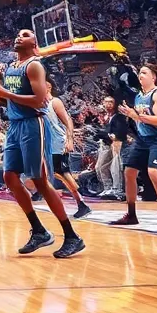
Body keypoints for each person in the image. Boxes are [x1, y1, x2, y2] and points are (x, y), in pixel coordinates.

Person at [0, 30, 85, 258]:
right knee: (9, 177)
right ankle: (39, 231)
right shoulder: (11, 67)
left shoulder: (34, 66)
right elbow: (2, 98)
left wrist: (4, 91)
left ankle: (71, 236)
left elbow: (39, 100)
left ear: (34, 42)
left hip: (32, 124)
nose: (19, 37)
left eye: (25, 34)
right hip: (14, 126)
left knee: (39, 180)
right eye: (18, 34)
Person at [108, 64, 157, 233]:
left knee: (153, 172)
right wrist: (130, 113)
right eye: (139, 73)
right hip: (143, 139)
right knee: (129, 172)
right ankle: (131, 214)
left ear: (153, 77)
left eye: (145, 73)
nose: (141, 75)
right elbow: (140, 119)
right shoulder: (139, 96)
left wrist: (134, 115)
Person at [47, 80, 90, 219]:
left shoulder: (55, 102)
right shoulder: (39, 104)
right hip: (49, 143)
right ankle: (79, 197)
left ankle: (82, 202)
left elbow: (68, 120)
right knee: (56, 172)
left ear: (48, 87)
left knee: (62, 172)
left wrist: (69, 139)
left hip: (59, 141)